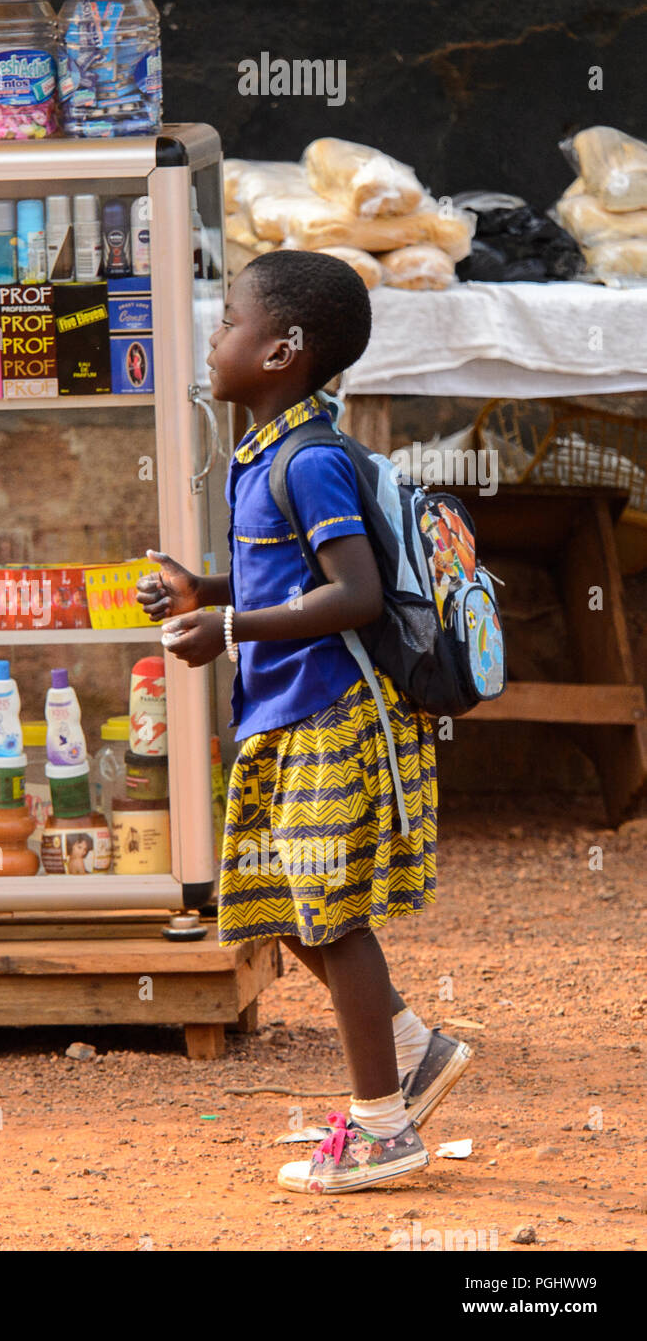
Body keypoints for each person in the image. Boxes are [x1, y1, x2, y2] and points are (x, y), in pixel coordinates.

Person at [137, 250, 472, 1194]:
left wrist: (231, 625)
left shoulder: (312, 458)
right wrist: (203, 590)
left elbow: (355, 594)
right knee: (284, 904)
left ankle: (383, 1130)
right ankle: (410, 1050)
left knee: (332, 921)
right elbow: (286, 578)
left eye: (229, 320)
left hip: (336, 719)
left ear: (282, 349)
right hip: (284, 717)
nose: (214, 334)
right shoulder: (264, 454)